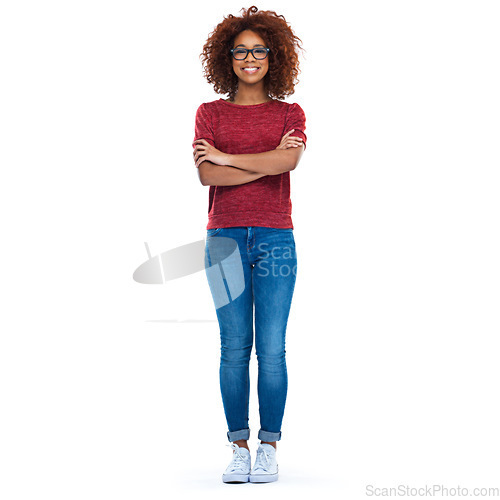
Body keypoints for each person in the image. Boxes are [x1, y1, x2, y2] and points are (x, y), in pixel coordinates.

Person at [192, 5, 307, 484]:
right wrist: (267, 161)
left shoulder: (290, 111)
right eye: (240, 50)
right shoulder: (209, 113)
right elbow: (207, 175)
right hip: (224, 238)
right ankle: (238, 446)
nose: (250, 57)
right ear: (227, 58)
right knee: (234, 347)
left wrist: (229, 156)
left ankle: (269, 447)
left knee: (273, 348)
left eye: (259, 49)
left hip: (276, 238)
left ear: (274, 55)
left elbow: (291, 164)